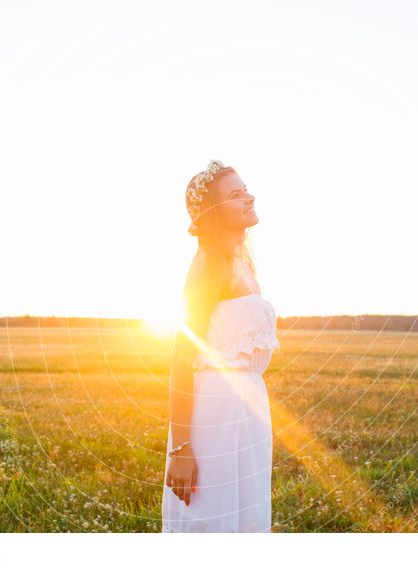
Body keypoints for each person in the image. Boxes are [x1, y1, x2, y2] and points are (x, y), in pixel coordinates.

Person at [161, 160, 280, 533]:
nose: (249, 197)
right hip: (214, 412)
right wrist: (181, 449)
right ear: (213, 212)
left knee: (245, 515)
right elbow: (182, 358)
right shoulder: (208, 266)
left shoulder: (242, 264)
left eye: (246, 190)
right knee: (211, 517)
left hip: (248, 408)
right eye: (236, 194)